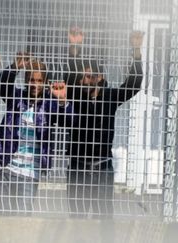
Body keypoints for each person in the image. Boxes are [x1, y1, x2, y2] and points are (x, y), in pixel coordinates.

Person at [65, 26, 144, 218]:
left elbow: (133, 84)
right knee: (77, 217)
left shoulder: (109, 97)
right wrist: (74, 49)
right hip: (78, 167)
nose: (86, 79)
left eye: (90, 76)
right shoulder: (77, 96)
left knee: (103, 217)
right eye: (84, 76)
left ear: (100, 78)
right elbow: (70, 76)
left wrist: (136, 52)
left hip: (102, 167)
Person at [0, 53, 74, 215]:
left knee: (23, 218)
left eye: (39, 81)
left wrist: (63, 101)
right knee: (3, 216)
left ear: (44, 83)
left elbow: (70, 122)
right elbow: (2, 84)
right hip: (7, 167)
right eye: (31, 80)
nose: (35, 84)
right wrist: (15, 67)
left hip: (30, 172)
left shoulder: (49, 104)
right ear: (26, 81)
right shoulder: (16, 98)